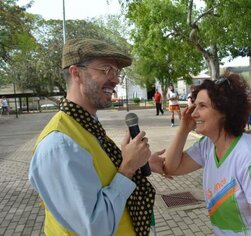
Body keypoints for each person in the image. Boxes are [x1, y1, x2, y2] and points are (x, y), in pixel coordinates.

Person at [28, 38, 165, 236]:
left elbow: (99, 173)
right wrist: (127, 169)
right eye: (106, 69)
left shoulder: (85, 125)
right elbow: (96, 228)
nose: (116, 79)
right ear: (76, 73)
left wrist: (138, 162)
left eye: (116, 71)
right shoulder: (59, 145)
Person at [163, 73, 251, 235]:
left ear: (224, 111)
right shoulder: (208, 145)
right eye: (195, 106)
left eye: (202, 106)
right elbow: (171, 167)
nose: (193, 113)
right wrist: (184, 129)